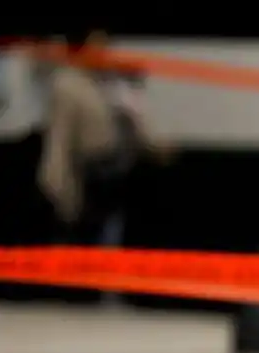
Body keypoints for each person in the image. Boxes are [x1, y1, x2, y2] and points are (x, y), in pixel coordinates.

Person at [37, 21, 167, 260]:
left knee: (111, 245)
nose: (104, 51)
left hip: (117, 176)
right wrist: (60, 190)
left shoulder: (107, 83)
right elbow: (59, 142)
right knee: (85, 252)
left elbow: (133, 123)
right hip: (89, 179)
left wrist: (153, 143)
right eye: (98, 45)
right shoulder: (67, 85)